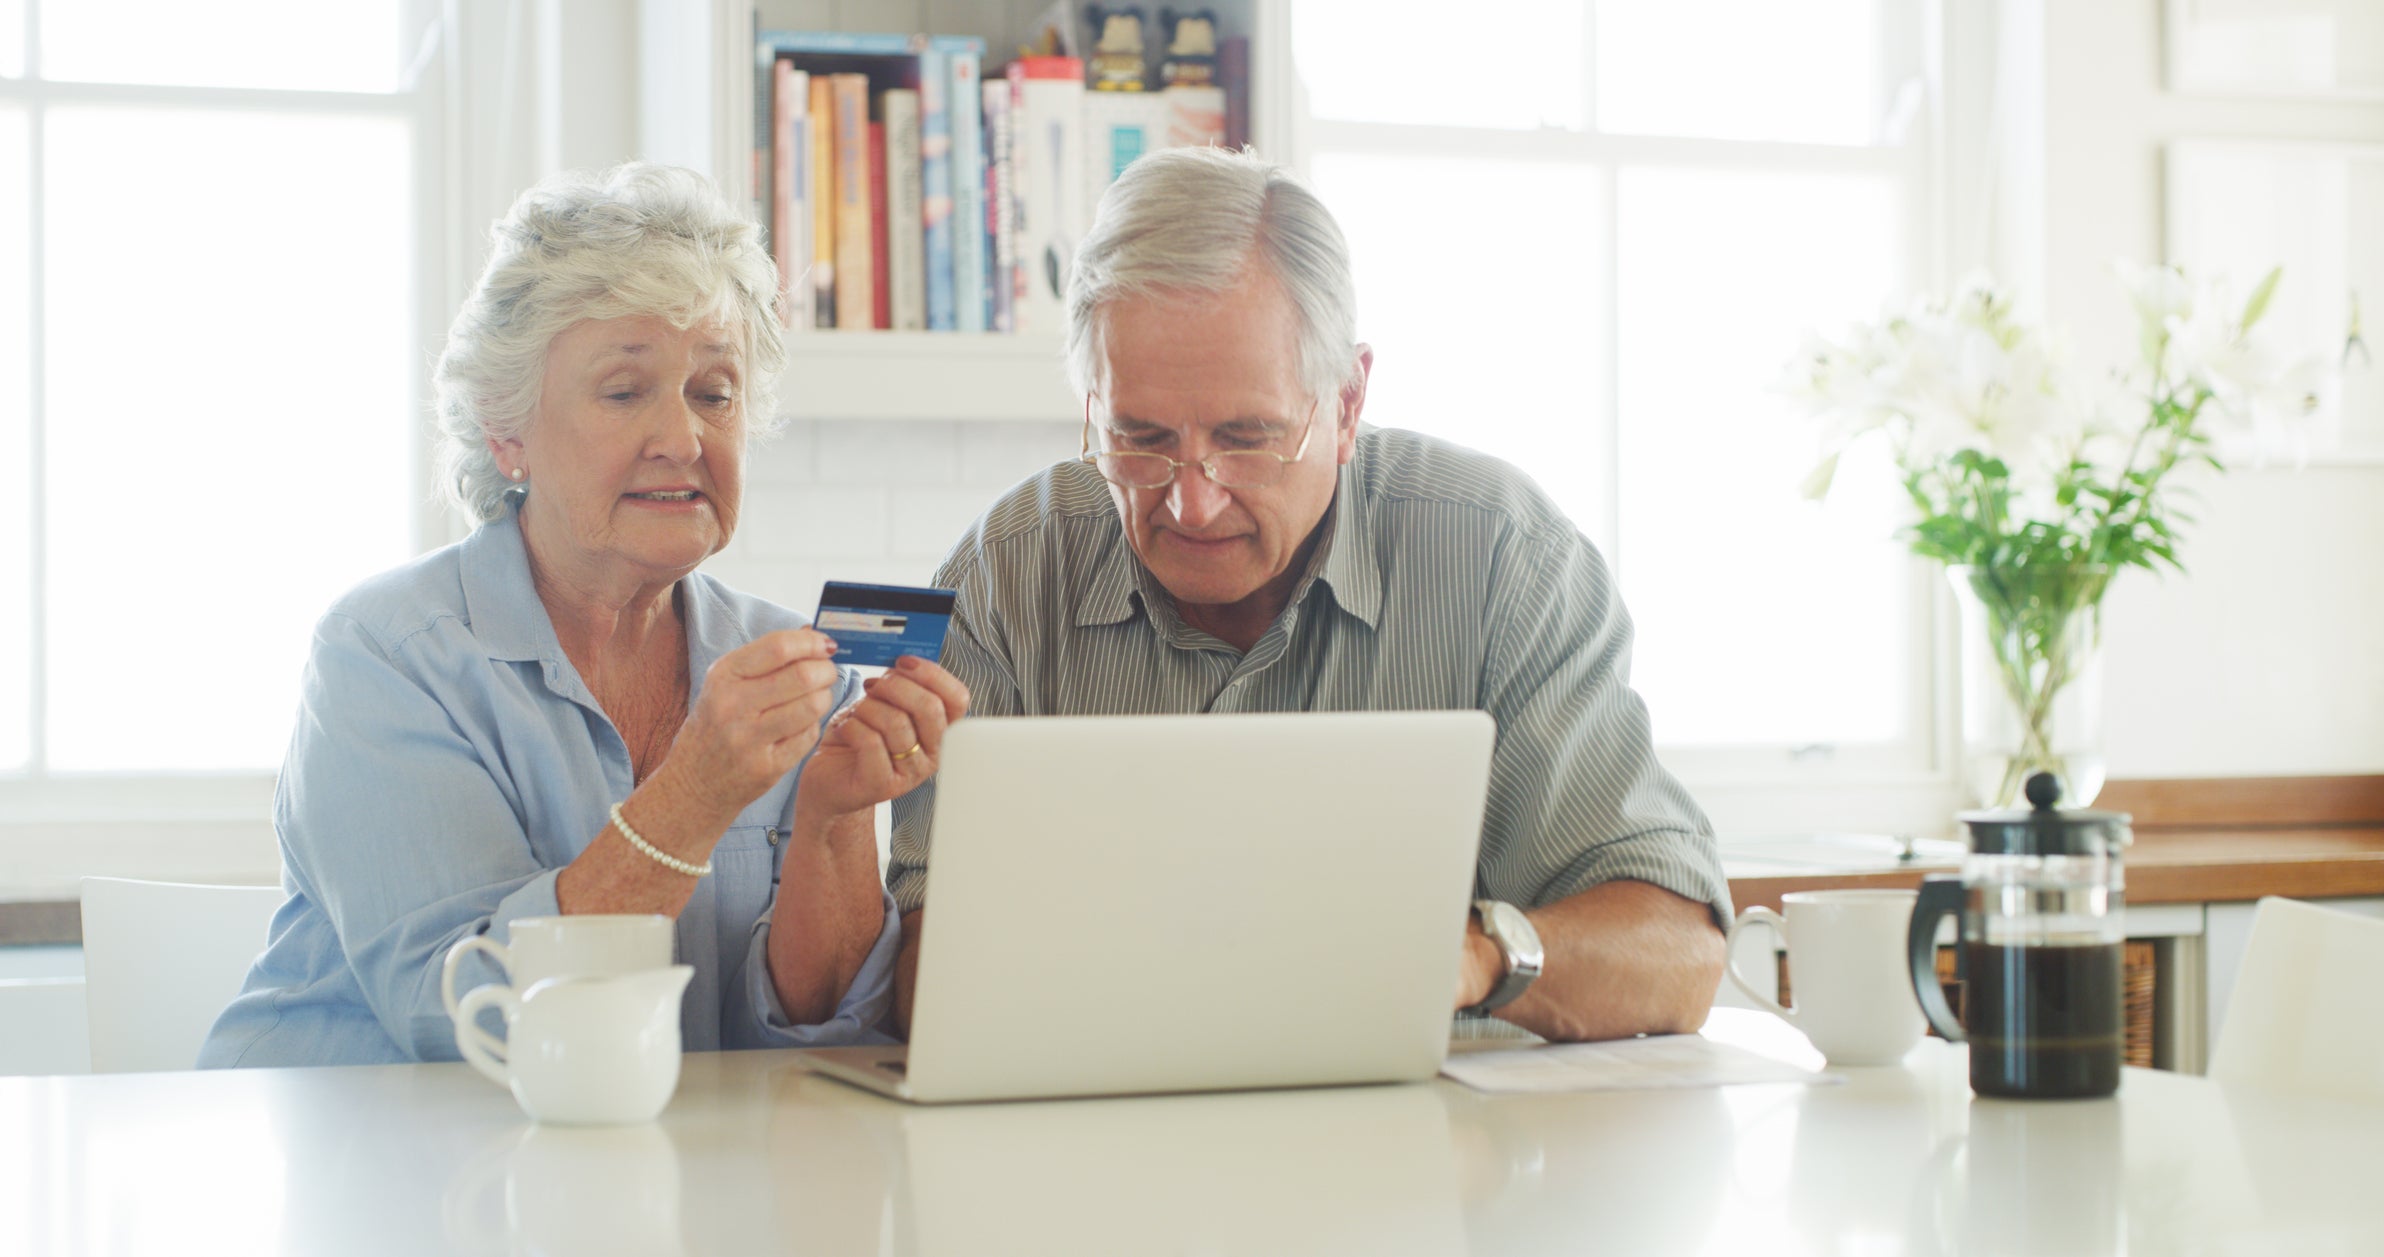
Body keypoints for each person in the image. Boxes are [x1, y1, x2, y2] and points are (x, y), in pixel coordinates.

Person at [886, 147, 1726, 1044]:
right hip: (1107, 1146)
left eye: (1247, 438)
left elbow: (1676, 954)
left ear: (1350, 401)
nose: (1191, 499)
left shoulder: (1503, 558)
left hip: (1443, 1160)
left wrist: (1472, 957)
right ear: (1093, 405)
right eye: (1141, 437)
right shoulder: (1005, 577)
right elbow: (923, 977)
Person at [201, 164, 968, 1067]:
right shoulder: (385, 654)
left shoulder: (782, 663)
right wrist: (695, 792)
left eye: (713, 393)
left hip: (638, 1176)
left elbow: (808, 1038)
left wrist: (836, 817)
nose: (683, 438)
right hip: (373, 1167)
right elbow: (465, 1020)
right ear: (506, 430)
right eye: (623, 390)